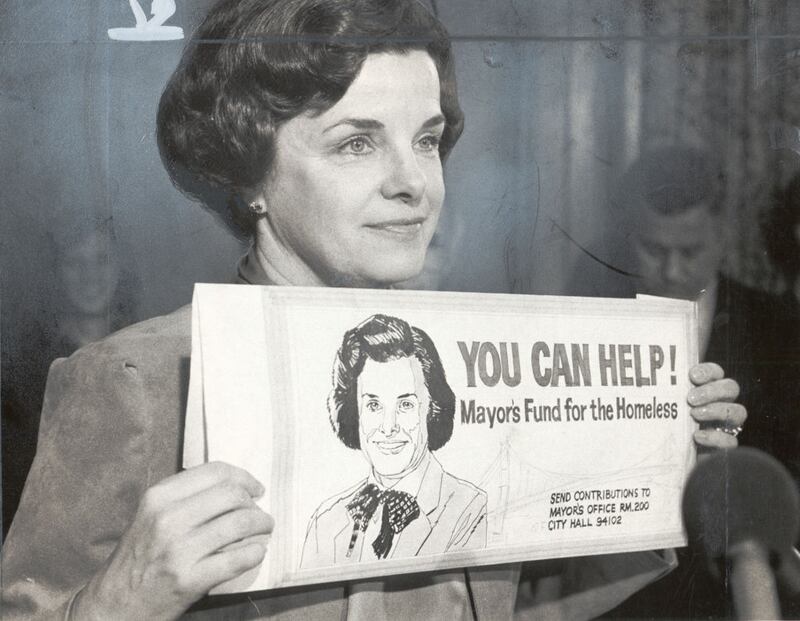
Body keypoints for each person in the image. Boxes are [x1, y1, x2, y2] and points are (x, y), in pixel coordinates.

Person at [2, 2, 746, 620]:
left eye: (427, 141)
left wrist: (656, 471)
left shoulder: (466, 358)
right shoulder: (136, 378)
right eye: (357, 142)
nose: (414, 183)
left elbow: (526, 605)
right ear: (249, 169)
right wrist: (120, 599)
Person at [301, 314, 486, 569]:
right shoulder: (325, 522)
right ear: (354, 412)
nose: (389, 427)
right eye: (374, 405)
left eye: (406, 404)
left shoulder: (472, 509)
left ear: (432, 409)